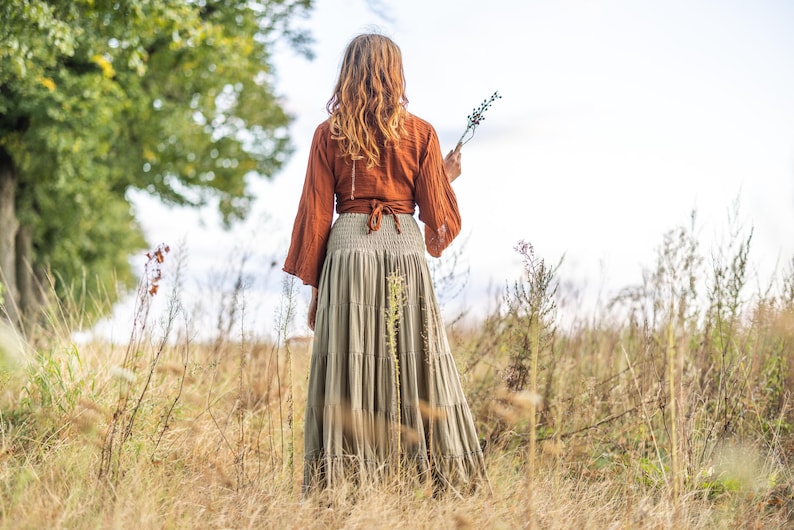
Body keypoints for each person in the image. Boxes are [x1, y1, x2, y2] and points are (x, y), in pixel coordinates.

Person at [283, 33, 488, 496]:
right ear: (395, 73)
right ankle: (436, 478)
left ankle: (345, 483)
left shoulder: (327, 134)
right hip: (403, 249)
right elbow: (438, 222)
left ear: (348, 73)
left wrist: (316, 292)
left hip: (349, 249)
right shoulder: (422, 133)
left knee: (349, 363)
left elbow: (316, 216)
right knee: (418, 359)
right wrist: (445, 178)